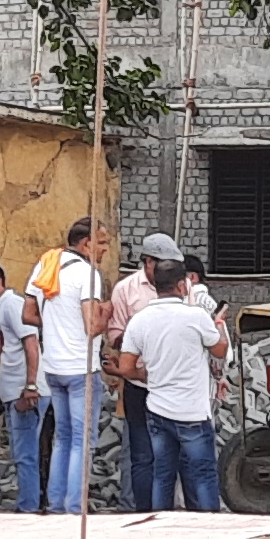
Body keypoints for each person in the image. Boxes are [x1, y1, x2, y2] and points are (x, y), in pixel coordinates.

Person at [117, 250, 231, 512]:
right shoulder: (196, 317)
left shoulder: (139, 321)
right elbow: (220, 351)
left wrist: (147, 375)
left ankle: (160, 528)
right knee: (202, 473)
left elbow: (125, 367)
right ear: (181, 285)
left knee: (162, 474)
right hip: (192, 412)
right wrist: (220, 328)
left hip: (157, 410)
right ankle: (208, 528)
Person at [27, 215, 104, 513]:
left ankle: (57, 504)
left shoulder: (45, 265)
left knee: (62, 437)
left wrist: (58, 323)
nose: (105, 250)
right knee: (82, 440)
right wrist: (107, 314)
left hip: (53, 366)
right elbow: (91, 326)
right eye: (102, 243)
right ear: (86, 244)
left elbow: (28, 314)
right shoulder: (88, 274)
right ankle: (75, 507)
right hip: (80, 368)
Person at [107, 229, 182, 504]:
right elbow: (113, 335)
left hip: (172, 384)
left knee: (172, 451)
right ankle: (141, 512)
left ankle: (166, 511)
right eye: (162, 263)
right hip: (139, 383)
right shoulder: (125, 290)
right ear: (148, 262)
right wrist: (135, 332)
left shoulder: (181, 287)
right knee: (141, 454)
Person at [0, 244, 40, 506]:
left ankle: (28, 507)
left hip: (22, 391)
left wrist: (30, 385)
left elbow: (31, 342)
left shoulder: (11, 304)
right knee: (21, 451)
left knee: (25, 453)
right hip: (9, 391)